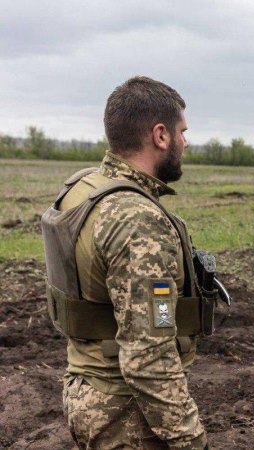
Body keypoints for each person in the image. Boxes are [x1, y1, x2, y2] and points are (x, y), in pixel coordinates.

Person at [41, 76, 208, 449]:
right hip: (126, 414)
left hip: (85, 388)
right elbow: (149, 355)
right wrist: (190, 439)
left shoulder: (83, 190)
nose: (186, 142)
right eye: (182, 132)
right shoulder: (137, 220)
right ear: (160, 135)